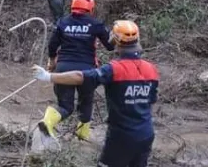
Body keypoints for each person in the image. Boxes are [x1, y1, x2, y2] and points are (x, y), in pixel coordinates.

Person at [33, 20, 158, 167]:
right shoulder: (151, 69)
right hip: (146, 134)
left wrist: (48, 76)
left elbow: (80, 77)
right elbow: (152, 99)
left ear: (116, 40)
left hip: (121, 136)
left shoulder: (114, 69)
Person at [39, 0, 114, 141]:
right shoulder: (95, 24)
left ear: (72, 6)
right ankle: (82, 134)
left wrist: (52, 61)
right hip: (86, 70)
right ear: (91, 8)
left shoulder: (62, 22)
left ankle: (48, 120)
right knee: (86, 101)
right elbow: (110, 46)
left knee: (65, 106)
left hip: (63, 68)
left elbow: (52, 45)